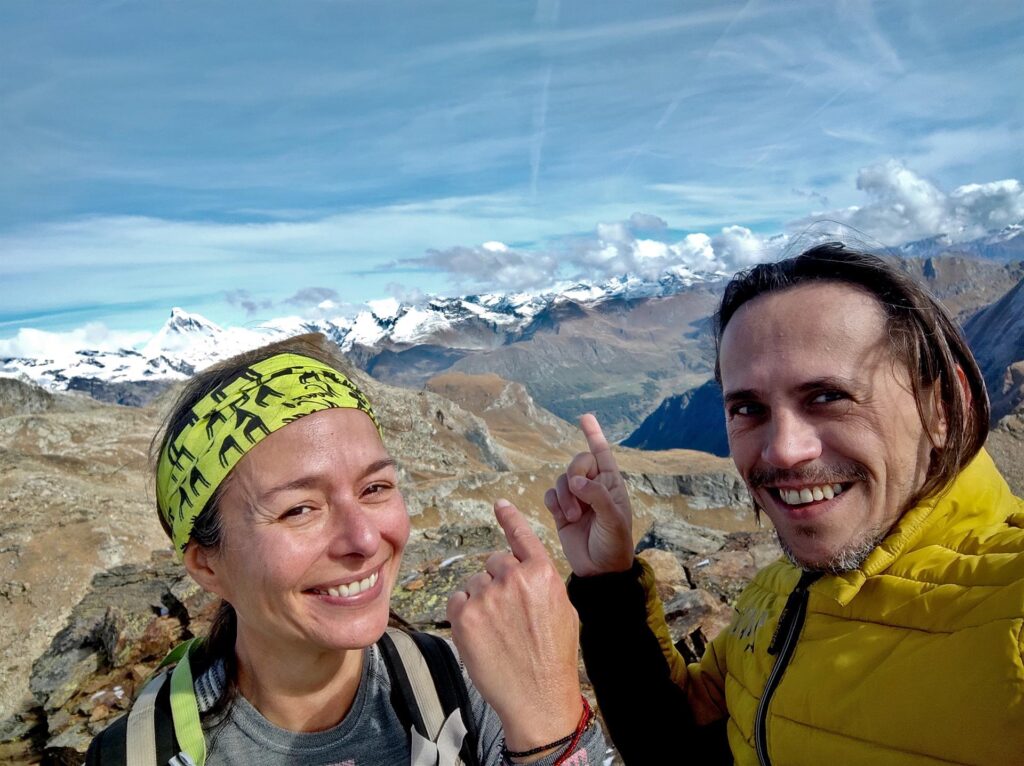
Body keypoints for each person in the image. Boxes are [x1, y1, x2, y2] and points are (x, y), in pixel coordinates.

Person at [545, 243, 1024, 765]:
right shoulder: (775, 593)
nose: (783, 449)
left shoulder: (1009, 613)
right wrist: (608, 582)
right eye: (748, 408)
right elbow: (677, 745)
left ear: (942, 407)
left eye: (827, 396)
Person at [86, 333, 603, 766]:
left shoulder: (468, 686)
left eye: (375, 488)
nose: (363, 539)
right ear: (206, 565)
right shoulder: (135, 754)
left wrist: (545, 717)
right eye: (299, 509)